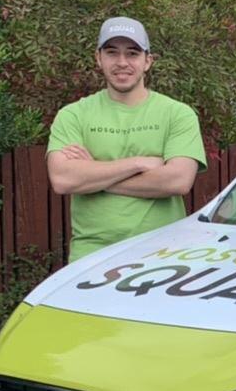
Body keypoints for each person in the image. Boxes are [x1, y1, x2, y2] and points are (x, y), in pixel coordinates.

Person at [46, 17, 206, 261]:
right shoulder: (73, 115)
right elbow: (62, 179)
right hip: (91, 257)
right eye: (112, 53)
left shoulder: (177, 114)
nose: (122, 62)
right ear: (98, 58)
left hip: (163, 255)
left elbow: (178, 181)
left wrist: (93, 175)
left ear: (147, 61)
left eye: (132, 53)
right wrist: (138, 164)